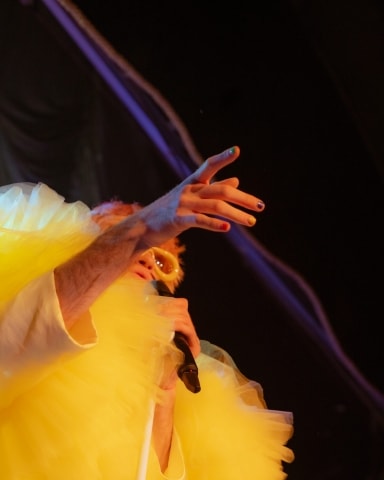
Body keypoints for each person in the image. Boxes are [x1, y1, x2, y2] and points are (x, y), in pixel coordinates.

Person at [0, 146, 294, 479]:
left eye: (160, 260)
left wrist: (165, 388)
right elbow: (17, 340)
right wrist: (135, 233)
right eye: (136, 247)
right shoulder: (21, 288)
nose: (146, 261)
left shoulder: (167, 363)